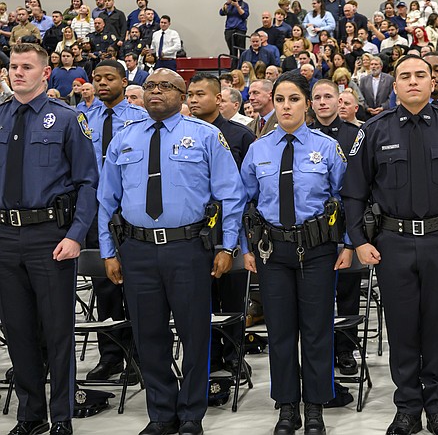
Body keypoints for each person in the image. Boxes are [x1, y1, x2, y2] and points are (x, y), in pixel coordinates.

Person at [342, 55, 438, 435]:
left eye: (420, 74)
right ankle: (407, 406)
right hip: (393, 243)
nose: (412, 82)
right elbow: (353, 192)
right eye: (404, 76)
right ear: (395, 84)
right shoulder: (374, 130)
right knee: (402, 328)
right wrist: (358, 240)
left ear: (433, 81)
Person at [97, 68, 246, 435]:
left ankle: (192, 413)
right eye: (149, 86)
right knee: (149, 335)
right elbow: (105, 199)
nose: (155, 92)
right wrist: (108, 250)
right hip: (138, 250)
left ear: (183, 95)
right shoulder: (124, 138)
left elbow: (231, 195)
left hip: (189, 249)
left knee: (195, 333)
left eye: (166, 86)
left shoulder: (206, 135)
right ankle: (161, 413)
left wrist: (228, 245)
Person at [239, 71, 349, 435]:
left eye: (295, 99)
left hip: (317, 249)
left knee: (317, 330)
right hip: (273, 251)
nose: (287, 106)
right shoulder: (259, 149)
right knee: (281, 331)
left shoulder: (327, 148)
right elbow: (245, 200)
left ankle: (315, 405)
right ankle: (287, 406)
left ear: (308, 104)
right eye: (281, 99)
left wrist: (347, 243)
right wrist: (245, 248)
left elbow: (345, 198)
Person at [0, 42, 99, 435]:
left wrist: (76, 234)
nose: (17, 72)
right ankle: (31, 414)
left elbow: (88, 183)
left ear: (45, 73)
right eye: (13, 66)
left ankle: (61, 416)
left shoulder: (67, 119)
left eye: (26, 67)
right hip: (5, 235)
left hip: (50, 237)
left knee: (58, 330)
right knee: (18, 331)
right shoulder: (1, 117)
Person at [83, 60, 149, 385]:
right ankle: (110, 357)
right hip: (98, 212)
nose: (103, 83)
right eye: (97, 79)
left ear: (124, 80)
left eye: (110, 78)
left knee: (136, 289)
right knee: (105, 290)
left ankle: (138, 357)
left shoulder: (140, 118)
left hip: (130, 213)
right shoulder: (84, 121)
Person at [186, 72, 255, 380]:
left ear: (218, 99)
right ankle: (210, 357)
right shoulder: (184, 134)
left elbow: (249, 186)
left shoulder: (240, 135)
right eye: (190, 94)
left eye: (200, 94)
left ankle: (234, 354)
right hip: (195, 228)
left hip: (232, 224)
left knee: (232, 296)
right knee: (201, 299)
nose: (193, 99)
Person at [307, 79, 362, 376]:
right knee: (317, 297)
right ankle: (323, 350)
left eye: (329, 96)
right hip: (313, 230)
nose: (323, 102)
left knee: (348, 293)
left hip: (345, 224)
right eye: (317, 97)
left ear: (340, 101)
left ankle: (346, 349)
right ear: (311, 103)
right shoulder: (302, 136)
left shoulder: (355, 135)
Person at [220, 0, 250, 66]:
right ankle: (233, 67)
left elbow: (245, 15)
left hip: (240, 29)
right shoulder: (228, 5)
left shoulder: (244, 4)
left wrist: (237, 6)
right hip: (229, 30)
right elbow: (221, 13)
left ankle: (243, 66)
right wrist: (227, 4)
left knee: (242, 50)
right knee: (232, 51)